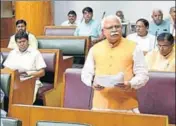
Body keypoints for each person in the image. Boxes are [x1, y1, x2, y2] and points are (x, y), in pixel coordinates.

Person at [81, 15, 149, 113]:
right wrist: (92, 83)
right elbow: (86, 73)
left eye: (117, 27)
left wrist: (130, 84)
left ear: (122, 29)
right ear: (103, 31)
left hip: (126, 107)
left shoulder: (134, 47)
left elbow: (143, 74)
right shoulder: (95, 49)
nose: (114, 30)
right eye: (110, 27)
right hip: (100, 106)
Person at [4, 31, 46, 102]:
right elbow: (6, 69)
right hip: (14, 80)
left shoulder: (35, 53)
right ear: (16, 43)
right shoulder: (12, 53)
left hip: (31, 80)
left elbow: (42, 72)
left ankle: (23, 111)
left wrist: (28, 74)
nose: (22, 44)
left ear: (28, 41)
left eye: (24, 41)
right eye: (19, 42)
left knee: (24, 96)